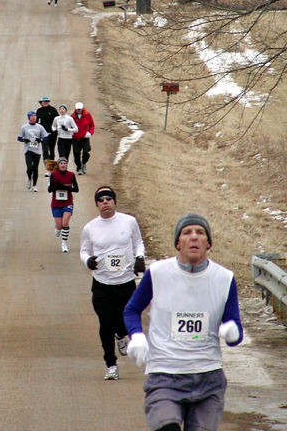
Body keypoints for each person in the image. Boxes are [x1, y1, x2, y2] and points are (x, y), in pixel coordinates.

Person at [124, 212, 244, 431]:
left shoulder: (224, 278)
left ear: (209, 243)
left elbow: (235, 327)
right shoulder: (158, 273)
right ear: (178, 243)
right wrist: (137, 336)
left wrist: (232, 332)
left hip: (208, 379)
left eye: (200, 233)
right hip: (165, 375)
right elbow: (131, 309)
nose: (194, 237)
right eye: (187, 233)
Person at [80, 186, 146, 381]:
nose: (105, 202)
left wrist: (140, 257)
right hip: (102, 283)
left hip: (125, 282)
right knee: (105, 325)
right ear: (97, 204)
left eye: (109, 198)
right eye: (101, 200)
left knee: (123, 323)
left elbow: (138, 243)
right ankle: (111, 365)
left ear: (115, 201)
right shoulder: (90, 227)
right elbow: (83, 251)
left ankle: (120, 335)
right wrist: (88, 261)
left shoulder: (129, 221)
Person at [48, 157, 79, 252]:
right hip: (56, 203)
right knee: (59, 226)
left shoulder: (71, 175)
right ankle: (57, 228)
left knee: (65, 222)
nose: (63, 165)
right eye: (61, 163)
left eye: (64, 163)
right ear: (58, 165)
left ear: (67, 165)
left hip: (67, 202)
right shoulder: (53, 175)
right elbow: (49, 190)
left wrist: (67, 188)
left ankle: (64, 244)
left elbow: (76, 189)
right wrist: (56, 187)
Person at [17, 111, 49, 192]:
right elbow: (19, 138)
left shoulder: (39, 127)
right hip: (28, 150)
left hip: (37, 151)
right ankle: (29, 179)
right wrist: (25, 140)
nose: (34, 117)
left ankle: (34, 185)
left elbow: (46, 137)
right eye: (32, 116)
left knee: (35, 168)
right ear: (29, 118)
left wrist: (40, 139)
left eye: (35, 116)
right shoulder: (24, 127)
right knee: (30, 167)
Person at [36, 96, 59, 175]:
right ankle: (47, 168)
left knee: (52, 150)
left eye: (47, 101)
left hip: (52, 133)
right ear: (41, 102)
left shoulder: (53, 110)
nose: (45, 103)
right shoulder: (39, 111)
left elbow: (58, 120)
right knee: (45, 151)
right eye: (44, 101)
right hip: (43, 134)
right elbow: (36, 121)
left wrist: (56, 128)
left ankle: (52, 168)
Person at [71, 102, 95, 175]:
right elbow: (69, 125)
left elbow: (92, 125)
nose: (79, 110)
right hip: (75, 138)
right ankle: (79, 167)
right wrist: (70, 132)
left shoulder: (87, 115)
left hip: (85, 138)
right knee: (76, 154)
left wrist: (90, 133)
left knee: (86, 152)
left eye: (80, 109)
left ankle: (84, 163)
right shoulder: (72, 116)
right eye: (77, 109)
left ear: (82, 109)